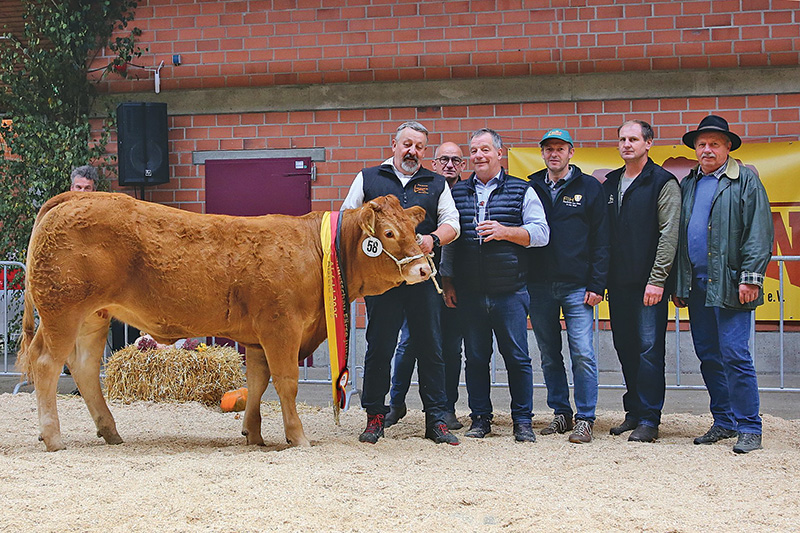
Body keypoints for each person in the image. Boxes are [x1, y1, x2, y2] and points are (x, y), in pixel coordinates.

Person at [341, 121, 461, 445]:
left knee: (430, 347)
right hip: (381, 281)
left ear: (425, 151)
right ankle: (375, 417)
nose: (413, 151)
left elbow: (453, 223)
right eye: (407, 144)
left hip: (422, 276)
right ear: (393, 145)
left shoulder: (436, 182)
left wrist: (433, 238)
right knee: (379, 346)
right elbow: (346, 218)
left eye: (419, 147)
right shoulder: (368, 178)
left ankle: (436, 419)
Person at [672, 115, 773, 454]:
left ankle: (749, 426)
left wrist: (751, 278)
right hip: (698, 287)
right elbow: (678, 238)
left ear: (728, 147)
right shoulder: (688, 184)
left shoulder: (745, 181)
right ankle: (724, 421)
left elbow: (759, 234)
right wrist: (680, 284)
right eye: (702, 144)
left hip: (731, 285)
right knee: (709, 356)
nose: (707, 149)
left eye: (715, 143)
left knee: (735, 355)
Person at [443, 128, 549, 442]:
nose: (479, 156)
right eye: (474, 151)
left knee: (517, 358)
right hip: (470, 291)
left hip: (510, 291)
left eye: (485, 150)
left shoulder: (522, 190)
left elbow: (542, 234)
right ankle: (480, 419)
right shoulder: (456, 193)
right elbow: (449, 243)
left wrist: (505, 231)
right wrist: (448, 282)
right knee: (475, 358)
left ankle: (522, 421)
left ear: (499, 154)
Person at [527, 128, 609, 444]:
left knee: (583, 353)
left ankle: (585, 418)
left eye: (560, 148)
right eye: (548, 149)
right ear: (543, 153)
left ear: (571, 152)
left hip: (578, 287)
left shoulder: (589, 187)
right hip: (539, 285)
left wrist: (597, 283)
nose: (554, 154)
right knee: (549, 354)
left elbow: (602, 240)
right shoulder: (531, 186)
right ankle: (561, 413)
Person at [604, 120, 680, 443]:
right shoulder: (610, 184)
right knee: (626, 346)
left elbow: (669, 235)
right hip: (618, 284)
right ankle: (633, 411)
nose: (626, 144)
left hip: (650, 284)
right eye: (622, 139)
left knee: (650, 349)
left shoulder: (663, 182)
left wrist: (658, 279)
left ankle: (650, 417)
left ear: (649, 143)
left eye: (633, 139)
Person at [385, 142, 467, 431]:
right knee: (408, 344)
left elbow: (458, 241)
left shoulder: (467, 194)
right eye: (444, 159)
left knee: (450, 348)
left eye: (456, 160)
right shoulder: (428, 191)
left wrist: (450, 279)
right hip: (421, 283)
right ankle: (396, 403)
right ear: (433, 163)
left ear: (463, 166)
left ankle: (446, 408)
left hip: (453, 284)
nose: (449, 164)